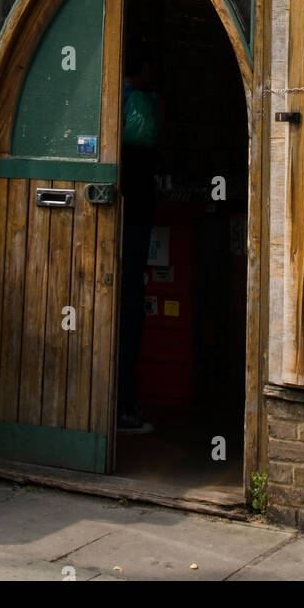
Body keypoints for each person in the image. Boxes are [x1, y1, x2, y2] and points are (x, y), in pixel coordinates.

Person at [117, 39, 164, 434]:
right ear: (146, 67)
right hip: (133, 219)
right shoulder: (142, 107)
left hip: (114, 219)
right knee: (129, 306)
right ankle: (124, 409)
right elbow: (150, 143)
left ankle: (107, 410)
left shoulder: (104, 96)